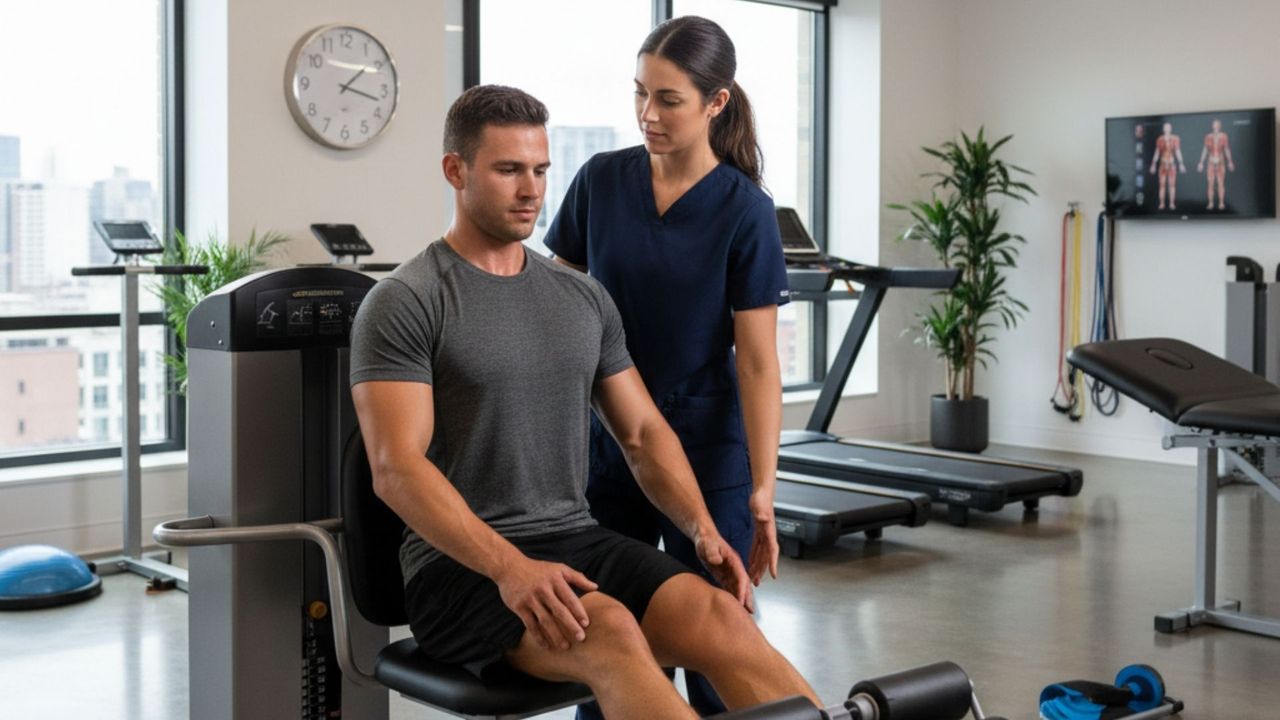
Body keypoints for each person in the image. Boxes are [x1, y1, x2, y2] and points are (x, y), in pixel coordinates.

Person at [349, 84, 818, 720]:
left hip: (575, 537)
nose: (531, 190)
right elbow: (396, 469)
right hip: (460, 570)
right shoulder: (408, 300)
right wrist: (512, 569)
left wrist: (702, 531)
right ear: (455, 171)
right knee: (611, 632)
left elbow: (643, 433)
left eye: (540, 170)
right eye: (509, 170)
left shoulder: (580, 298)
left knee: (722, 617)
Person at [543, 16, 788, 715]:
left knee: (717, 650)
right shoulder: (601, 180)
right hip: (606, 450)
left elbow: (760, 365)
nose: (649, 114)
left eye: (669, 99)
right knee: (613, 647)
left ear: (717, 103)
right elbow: (560, 305)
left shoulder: (746, 212)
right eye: (639, 94)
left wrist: (763, 489)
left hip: (708, 457)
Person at [1197, 118, 1235, 210]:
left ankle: (1221, 203)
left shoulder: (1224, 136)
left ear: (1220, 126)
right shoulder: (1208, 137)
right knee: (1210, 183)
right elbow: (1205, 150)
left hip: (1220, 162)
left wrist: (1230, 161)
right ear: (1212, 126)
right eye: (1215, 125)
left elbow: (1226, 149)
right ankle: (1210, 203)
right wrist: (1201, 162)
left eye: (1218, 126)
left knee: (1220, 183)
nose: (1216, 127)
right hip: (1211, 162)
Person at [1148, 122, 1185, 210]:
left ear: (1171, 129)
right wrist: (1153, 164)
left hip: (1172, 165)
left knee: (1172, 185)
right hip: (1163, 164)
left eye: (1168, 128)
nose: (1167, 129)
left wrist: (1181, 164)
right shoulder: (1160, 139)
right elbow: (1157, 152)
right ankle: (1162, 203)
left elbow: (1177, 152)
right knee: (1162, 185)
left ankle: (1172, 203)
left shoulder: (1175, 139)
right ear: (1163, 129)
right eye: (1166, 128)